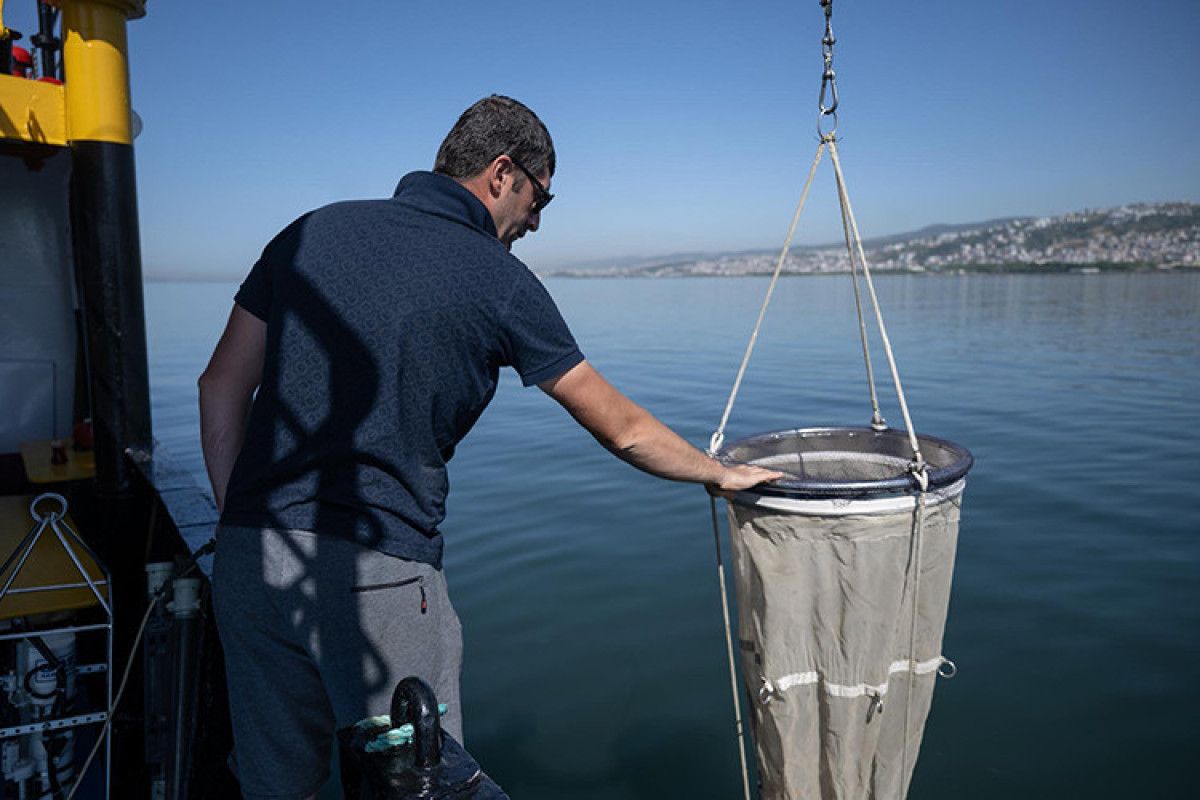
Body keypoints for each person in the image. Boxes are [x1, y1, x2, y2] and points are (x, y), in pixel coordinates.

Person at [199, 94, 778, 800]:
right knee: (420, 784)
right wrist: (717, 472)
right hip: (378, 578)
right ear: (502, 173)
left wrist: (240, 521)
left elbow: (219, 385)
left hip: (250, 566)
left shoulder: (307, 232)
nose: (536, 222)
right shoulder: (497, 278)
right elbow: (622, 428)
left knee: (273, 788)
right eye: (541, 198)